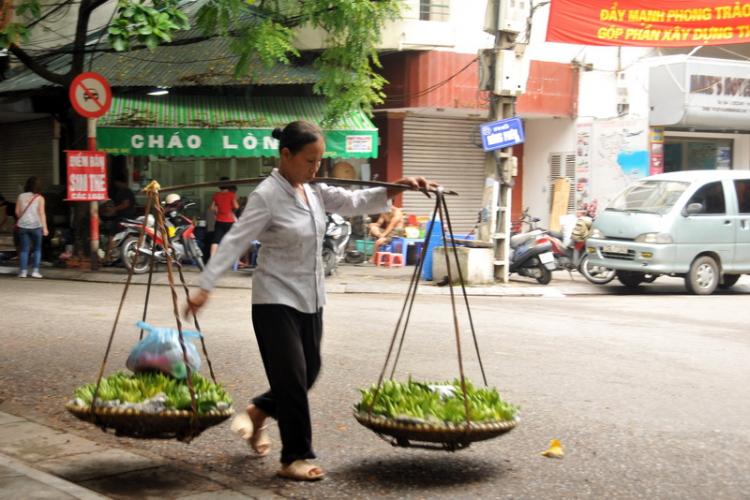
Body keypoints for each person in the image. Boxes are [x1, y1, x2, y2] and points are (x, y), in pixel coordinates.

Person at [184, 120, 437, 482]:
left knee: (309, 372)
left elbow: (354, 201)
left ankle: (258, 413)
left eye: (319, 160)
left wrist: (396, 188)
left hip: (310, 296)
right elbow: (235, 240)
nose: (315, 168)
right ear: (286, 155)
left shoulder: (312, 190)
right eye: (309, 160)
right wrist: (205, 285)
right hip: (274, 299)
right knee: (292, 378)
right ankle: (295, 456)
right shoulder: (266, 196)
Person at [15, 177, 48, 278]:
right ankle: (35, 271)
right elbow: (42, 213)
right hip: (36, 226)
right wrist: (45, 228)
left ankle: (23, 272)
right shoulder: (40, 198)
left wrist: (23, 219)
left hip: (23, 226)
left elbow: (17, 212)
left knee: (24, 249)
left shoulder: (21, 196)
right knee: (37, 248)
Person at [209, 178, 239, 258]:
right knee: (232, 240)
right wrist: (232, 210)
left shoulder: (216, 195)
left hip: (219, 220)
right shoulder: (232, 195)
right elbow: (236, 206)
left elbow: (212, 207)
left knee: (216, 240)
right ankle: (232, 259)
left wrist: (217, 213)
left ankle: (212, 258)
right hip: (230, 220)